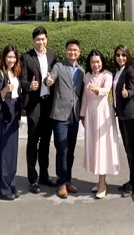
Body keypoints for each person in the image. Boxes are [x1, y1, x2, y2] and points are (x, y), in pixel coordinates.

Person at [19, 26, 58, 193]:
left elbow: (56, 75)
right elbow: (22, 79)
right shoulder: (27, 57)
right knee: (33, 141)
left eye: (43, 39)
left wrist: (52, 81)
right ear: (33, 41)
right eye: (37, 40)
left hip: (48, 103)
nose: (40, 42)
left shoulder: (52, 55)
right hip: (34, 105)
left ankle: (44, 175)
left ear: (46, 39)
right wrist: (30, 85)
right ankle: (32, 179)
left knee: (46, 142)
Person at [47, 38, 85, 199]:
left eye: (75, 50)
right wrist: (48, 81)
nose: (72, 52)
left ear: (79, 52)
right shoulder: (59, 66)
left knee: (71, 150)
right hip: (60, 115)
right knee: (62, 149)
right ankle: (61, 183)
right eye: (70, 49)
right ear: (65, 51)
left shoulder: (82, 71)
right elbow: (51, 78)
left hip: (74, 115)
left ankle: (68, 180)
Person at [81, 49, 121, 198]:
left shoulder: (107, 75)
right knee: (94, 146)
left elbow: (106, 90)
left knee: (102, 147)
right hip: (90, 113)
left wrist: (97, 89)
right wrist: (82, 114)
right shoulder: (87, 76)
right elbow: (85, 97)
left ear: (102, 62)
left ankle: (102, 183)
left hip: (103, 112)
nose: (95, 64)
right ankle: (100, 181)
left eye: (98, 61)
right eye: (93, 62)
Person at [0, 45, 22, 200]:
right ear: (4, 57)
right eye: (9, 57)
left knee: (13, 152)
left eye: (14, 57)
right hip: (5, 114)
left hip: (15, 112)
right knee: (4, 153)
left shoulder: (15, 73)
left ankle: (11, 185)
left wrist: (19, 116)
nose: (12, 60)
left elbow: (18, 95)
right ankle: (3, 189)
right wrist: (5, 89)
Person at [112, 44, 134, 197]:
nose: (121, 58)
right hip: (122, 114)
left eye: (123, 55)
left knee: (131, 148)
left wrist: (127, 93)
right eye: (118, 55)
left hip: (130, 115)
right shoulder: (117, 71)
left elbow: (132, 89)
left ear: (128, 56)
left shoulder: (130, 71)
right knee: (128, 148)